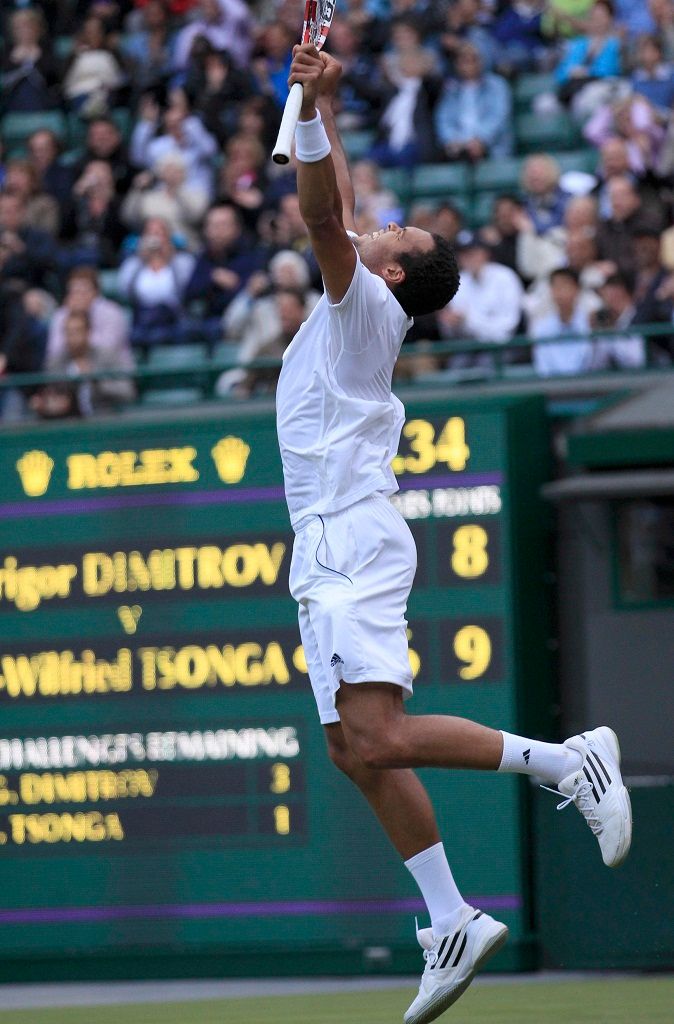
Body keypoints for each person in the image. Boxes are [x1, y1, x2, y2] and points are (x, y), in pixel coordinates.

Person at [277, 43, 632, 1024]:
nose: (377, 221)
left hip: (347, 536)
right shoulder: (363, 296)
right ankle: (448, 918)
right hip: (326, 543)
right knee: (357, 750)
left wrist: (305, 112)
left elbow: (318, 214)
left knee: (379, 733)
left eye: (390, 229)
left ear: (387, 270)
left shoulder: (360, 306)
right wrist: (328, 102)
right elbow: (339, 206)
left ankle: (568, 761)